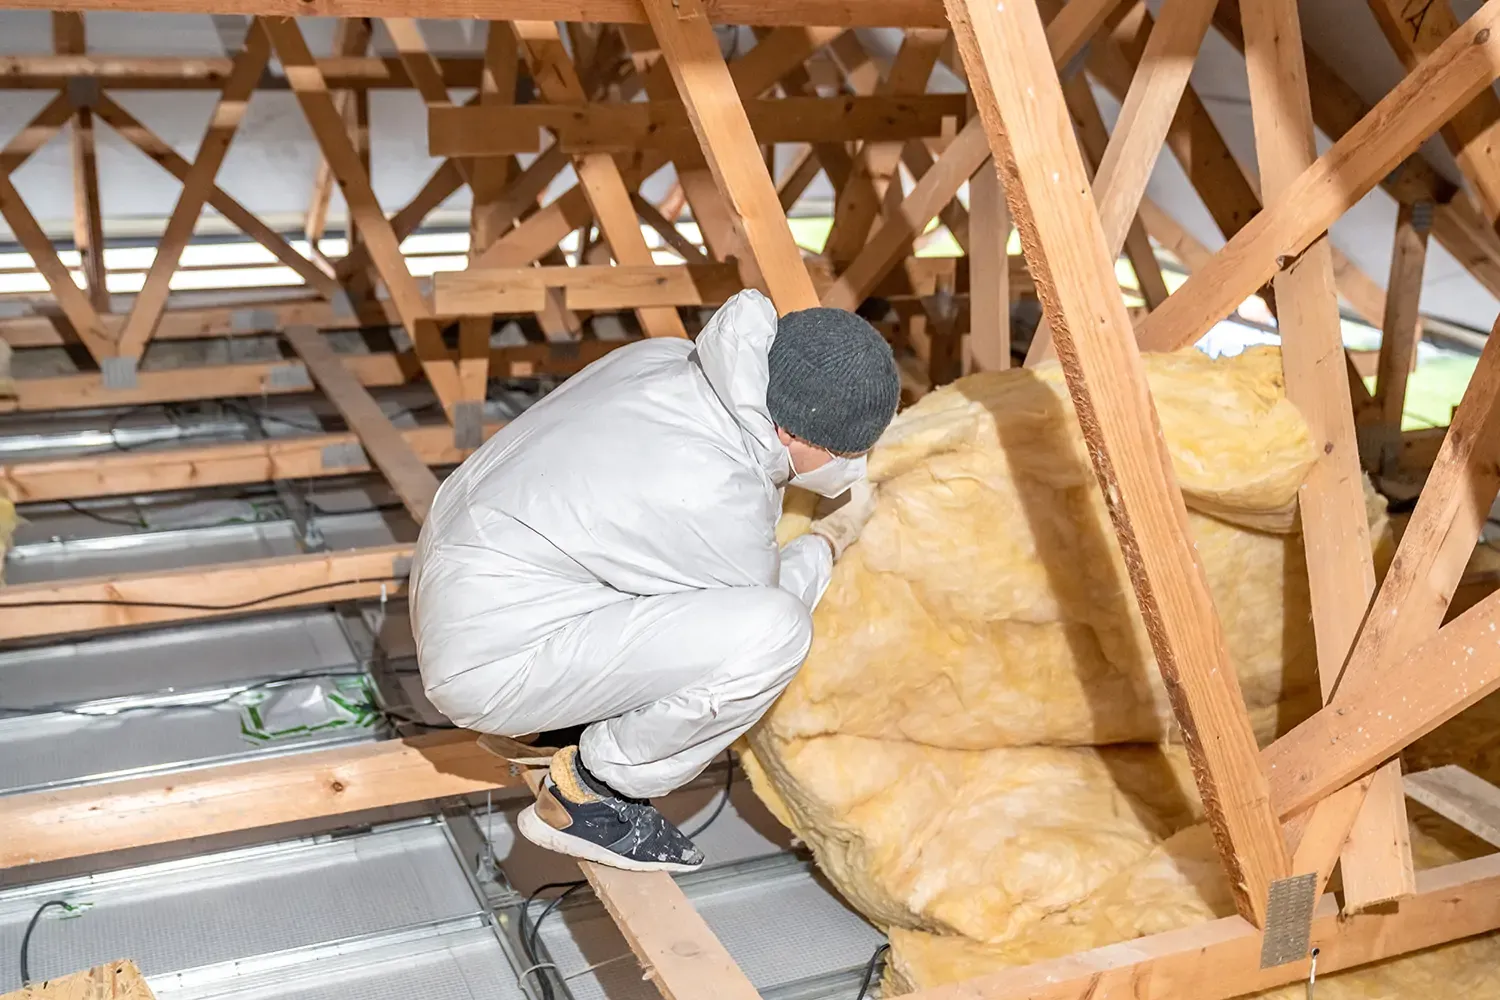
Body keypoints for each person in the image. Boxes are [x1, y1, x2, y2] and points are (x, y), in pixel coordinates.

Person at [408, 289, 901, 873]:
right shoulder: (713, 484)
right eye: (847, 453)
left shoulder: (667, 358)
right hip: (489, 664)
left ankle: (553, 727)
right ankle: (593, 794)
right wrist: (826, 542)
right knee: (778, 633)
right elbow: (759, 612)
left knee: (662, 586)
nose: (853, 468)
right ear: (795, 436)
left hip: (473, 588)